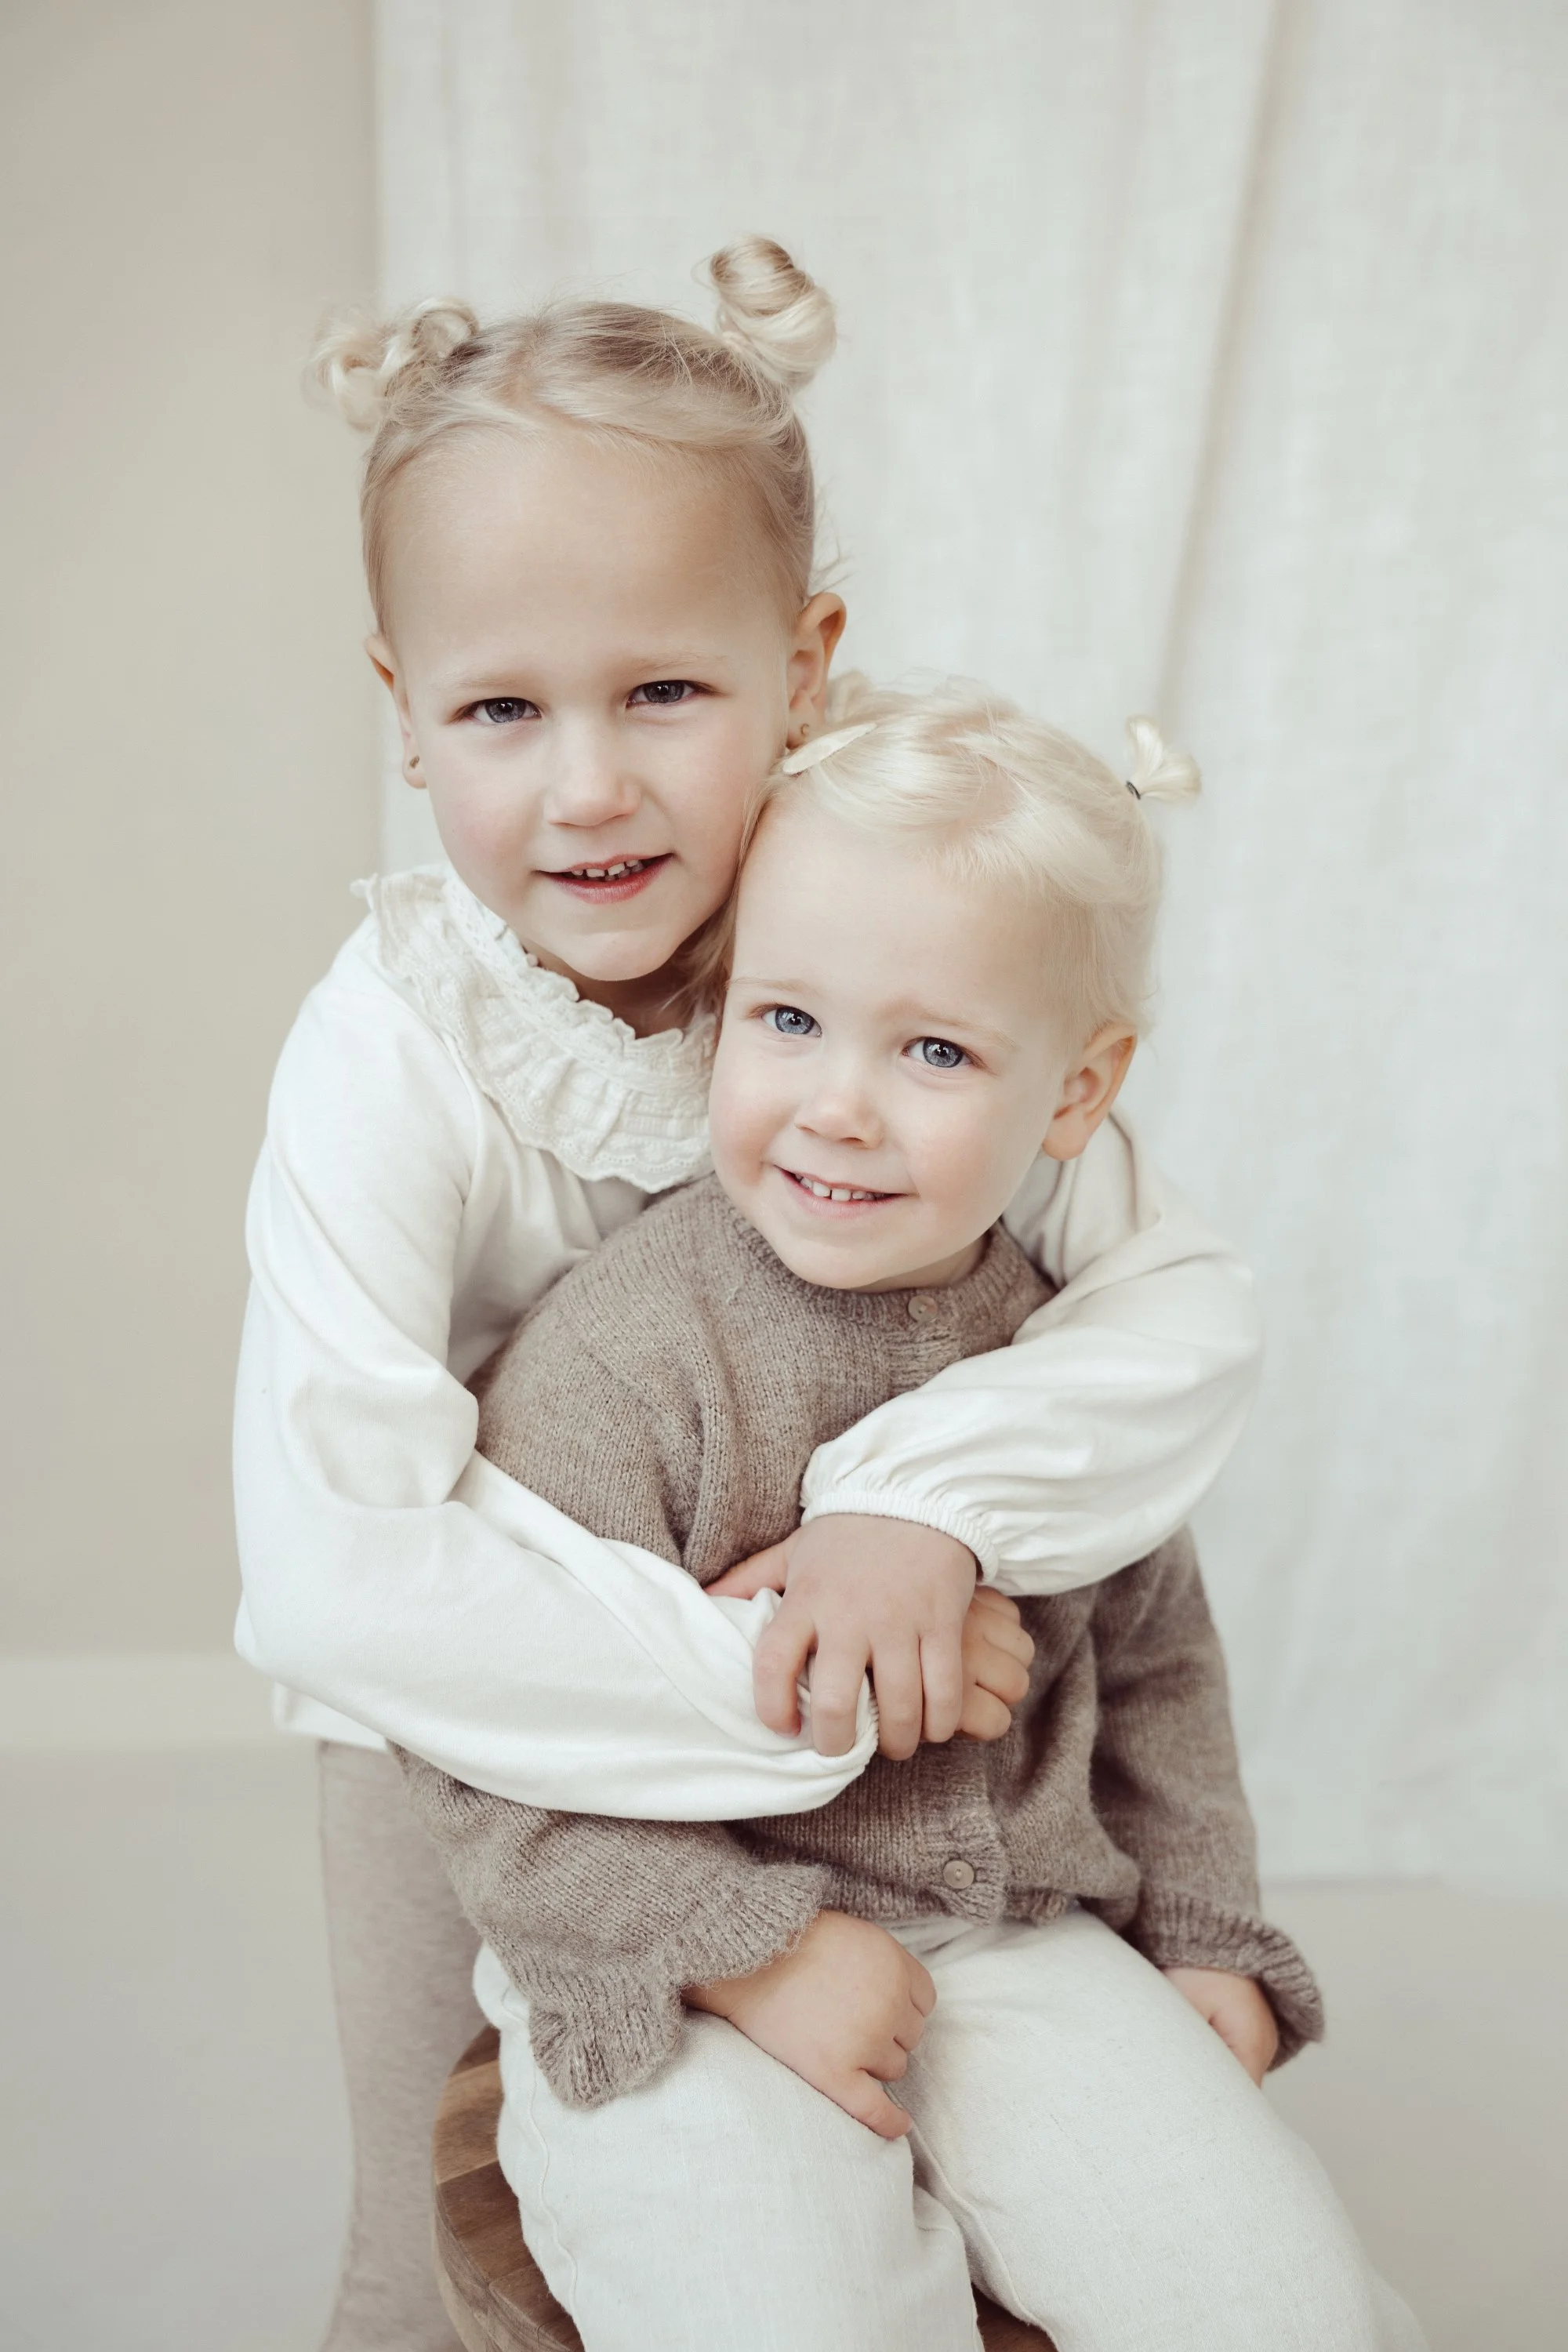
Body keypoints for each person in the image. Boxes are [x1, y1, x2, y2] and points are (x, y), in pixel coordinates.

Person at [233, 241, 1262, 2350]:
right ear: (402, 719)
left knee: (886, 2181)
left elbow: (1168, 1318)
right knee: (416, 2238)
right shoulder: (392, 1043)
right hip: (478, 1724)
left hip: (895, 1749)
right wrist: (802, 1676)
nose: (588, 786)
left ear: (804, 665)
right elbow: (345, 1569)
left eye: (666, 694)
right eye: (502, 710)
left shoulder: (875, 918)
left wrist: (923, 1510)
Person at [397, 687, 1427, 2352]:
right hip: (674, 1948)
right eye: (786, 1020)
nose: (839, 1106)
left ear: (1077, 1091)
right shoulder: (615, 1361)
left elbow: (1158, 1674)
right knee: (782, 2313)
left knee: (1281, 2311)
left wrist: (1206, 1932)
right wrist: (745, 1950)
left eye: (934, 1050)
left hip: (1007, 1932)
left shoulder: (1060, 1355)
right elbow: (481, 1735)